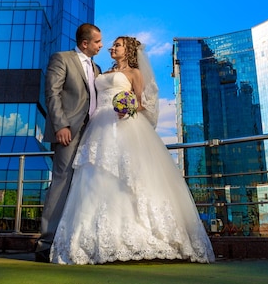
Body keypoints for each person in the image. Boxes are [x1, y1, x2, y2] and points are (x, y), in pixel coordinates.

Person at [50, 36, 215, 265]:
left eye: (117, 44)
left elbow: (141, 102)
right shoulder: (100, 71)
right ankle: (94, 238)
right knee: (94, 177)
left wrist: (127, 109)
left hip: (124, 124)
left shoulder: (135, 73)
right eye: (112, 45)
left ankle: (144, 236)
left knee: (130, 176)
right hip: (98, 126)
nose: (112, 47)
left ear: (128, 50)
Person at [35, 23, 103, 263]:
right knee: (62, 181)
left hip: (93, 133)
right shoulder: (61, 58)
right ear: (85, 43)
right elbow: (51, 93)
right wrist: (60, 125)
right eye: (97, 42)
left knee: (85, 184)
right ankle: (46, 243)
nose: (101, 45)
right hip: (69, 132)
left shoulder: (97, 67)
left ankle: (72, 239)